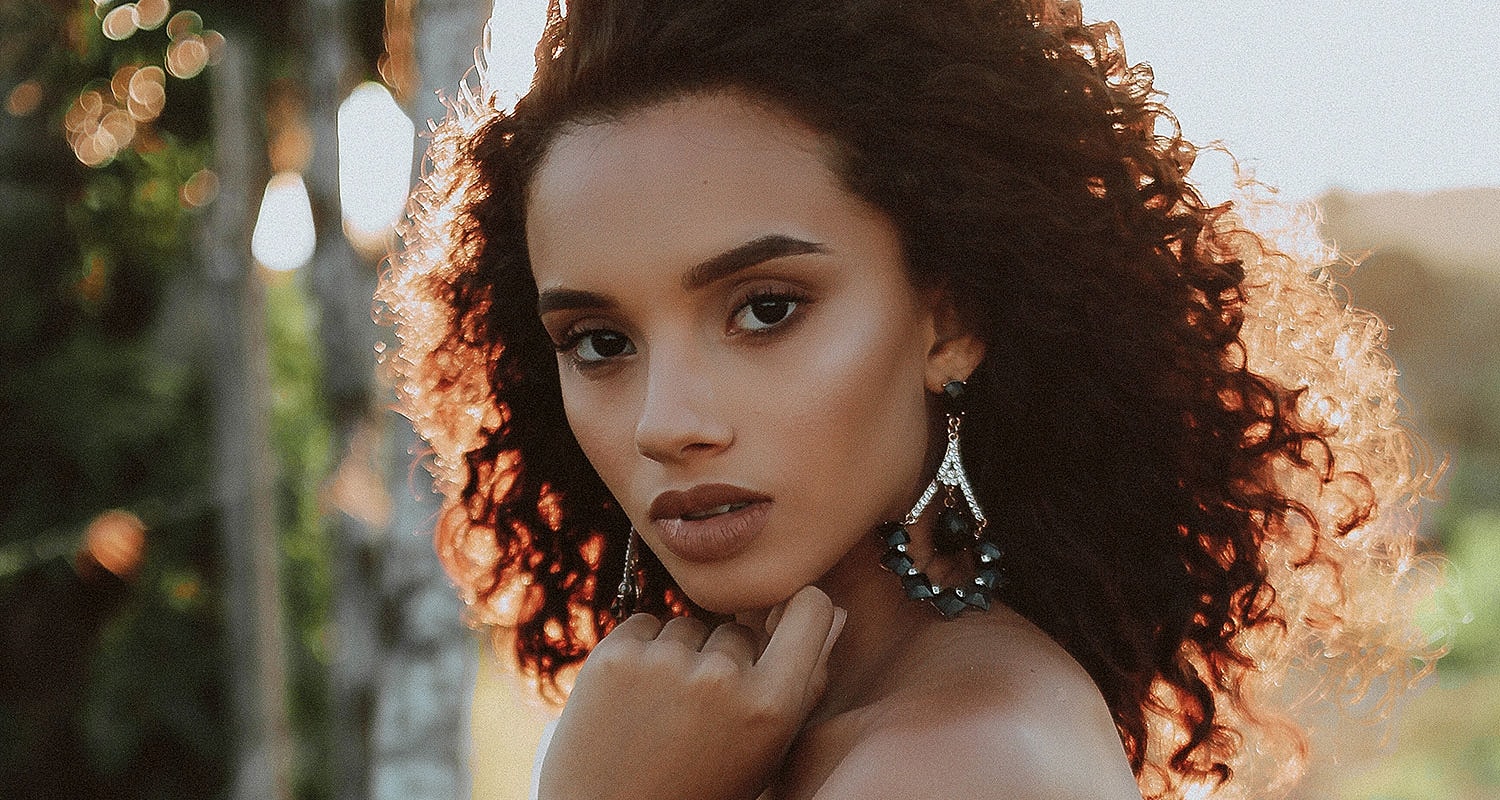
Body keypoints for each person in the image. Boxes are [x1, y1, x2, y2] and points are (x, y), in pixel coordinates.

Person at [378, 0, 1440, 797]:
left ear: (951, 317)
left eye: (765, 310)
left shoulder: (957, 759)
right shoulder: (784, 729)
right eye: (601, 341)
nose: (666, 420)